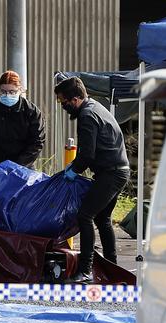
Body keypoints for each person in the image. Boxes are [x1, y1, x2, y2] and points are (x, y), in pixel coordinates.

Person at [54, 77, 130, 283]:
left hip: (111, 173)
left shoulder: (87, 116)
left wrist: (73, 170)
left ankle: (85, 270)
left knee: (85, 215)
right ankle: (112, 267)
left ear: (75, 99)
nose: (63, 106)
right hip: (118, 170)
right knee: (102, 219)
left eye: (64, 102)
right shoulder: (96, 106)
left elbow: (87, 154)